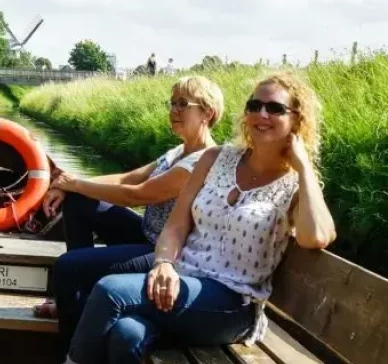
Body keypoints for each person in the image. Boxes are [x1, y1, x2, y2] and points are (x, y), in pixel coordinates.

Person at [65, 72, 336, 364]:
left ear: (297, 120)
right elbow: (177, 224)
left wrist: (304, 166)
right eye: (254, 105)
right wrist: (164, 263)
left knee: (110, 290)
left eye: (274, 108)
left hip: (232, 304)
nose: (261, 114)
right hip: (181, 283)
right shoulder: (215, 159)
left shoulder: (295, 185)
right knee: (126, 334)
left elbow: (316, 236)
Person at [33, 76, 224, 355]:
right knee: (78, 202)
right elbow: (126, 179)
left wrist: (74, 183)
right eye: (172, 103)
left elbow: (138, 194)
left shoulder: (202, 161)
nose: (174, 111)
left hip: (166, 253)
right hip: (147, 233)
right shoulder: (178, 152)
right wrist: (70, 186)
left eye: (183, 104)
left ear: (208, 112)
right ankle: (78, 300)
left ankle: (71, 348)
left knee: (67, 267)